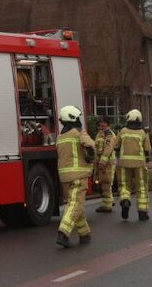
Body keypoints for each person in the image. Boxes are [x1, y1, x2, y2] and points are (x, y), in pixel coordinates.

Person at [55, 105, 97, 248]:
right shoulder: (78, 132)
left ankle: (85, 234)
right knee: (75, 204)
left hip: (64, 177)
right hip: (78, 175)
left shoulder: (60, 137)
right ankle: (63, 233)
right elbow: (91, 145)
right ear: (73, 118)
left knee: (75, 204)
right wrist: (91, 155)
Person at [107, 109, 152, 221]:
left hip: (123, 163)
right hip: (140, 164)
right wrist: (147, 158)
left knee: (124, 185)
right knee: (141, 187)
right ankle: (142, 212)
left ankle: (125, 200)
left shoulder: (122, 131)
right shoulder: (143, 133)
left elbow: (116, 146)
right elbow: (147, 149)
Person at [93, 117, 118, 214]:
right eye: (100, 124)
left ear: (108, 125)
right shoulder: (100, 134)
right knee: (101, 183)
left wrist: (103, 162)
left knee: (106, 184)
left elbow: (108, 148)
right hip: (100, 163)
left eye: (104, 124)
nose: (102, 125)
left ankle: (107, 206)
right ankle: (109, 201)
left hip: (107, 163)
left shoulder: (109, 134)